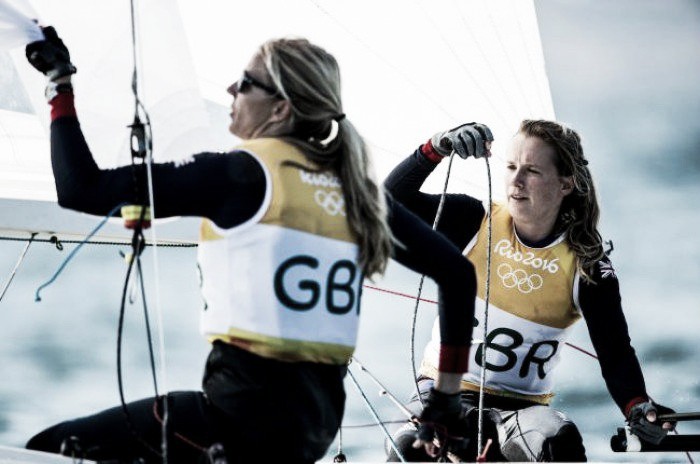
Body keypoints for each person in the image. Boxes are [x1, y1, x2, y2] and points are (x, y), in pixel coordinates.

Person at [23, 28, 479, 463]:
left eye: (245, 83)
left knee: (44, 449)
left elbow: (80, 189)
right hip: (312, 432)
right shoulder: (355, 188)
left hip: (236, 425)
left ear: (280, 110)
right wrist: (445, 401)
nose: (229, 90)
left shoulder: (243, 174)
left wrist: (58, 85)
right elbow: (457, 274)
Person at [383, 121, 676, 462]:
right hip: (441, 394)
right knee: (408, 447)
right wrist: (437, 147)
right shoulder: (471, 220)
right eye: (511, 167)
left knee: (559, 440)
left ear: (565, 183)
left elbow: (615, 353)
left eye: (532, 170)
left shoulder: (588, 266)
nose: (516, 181)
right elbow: (387, 205)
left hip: (520, 412)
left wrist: (637, 407)